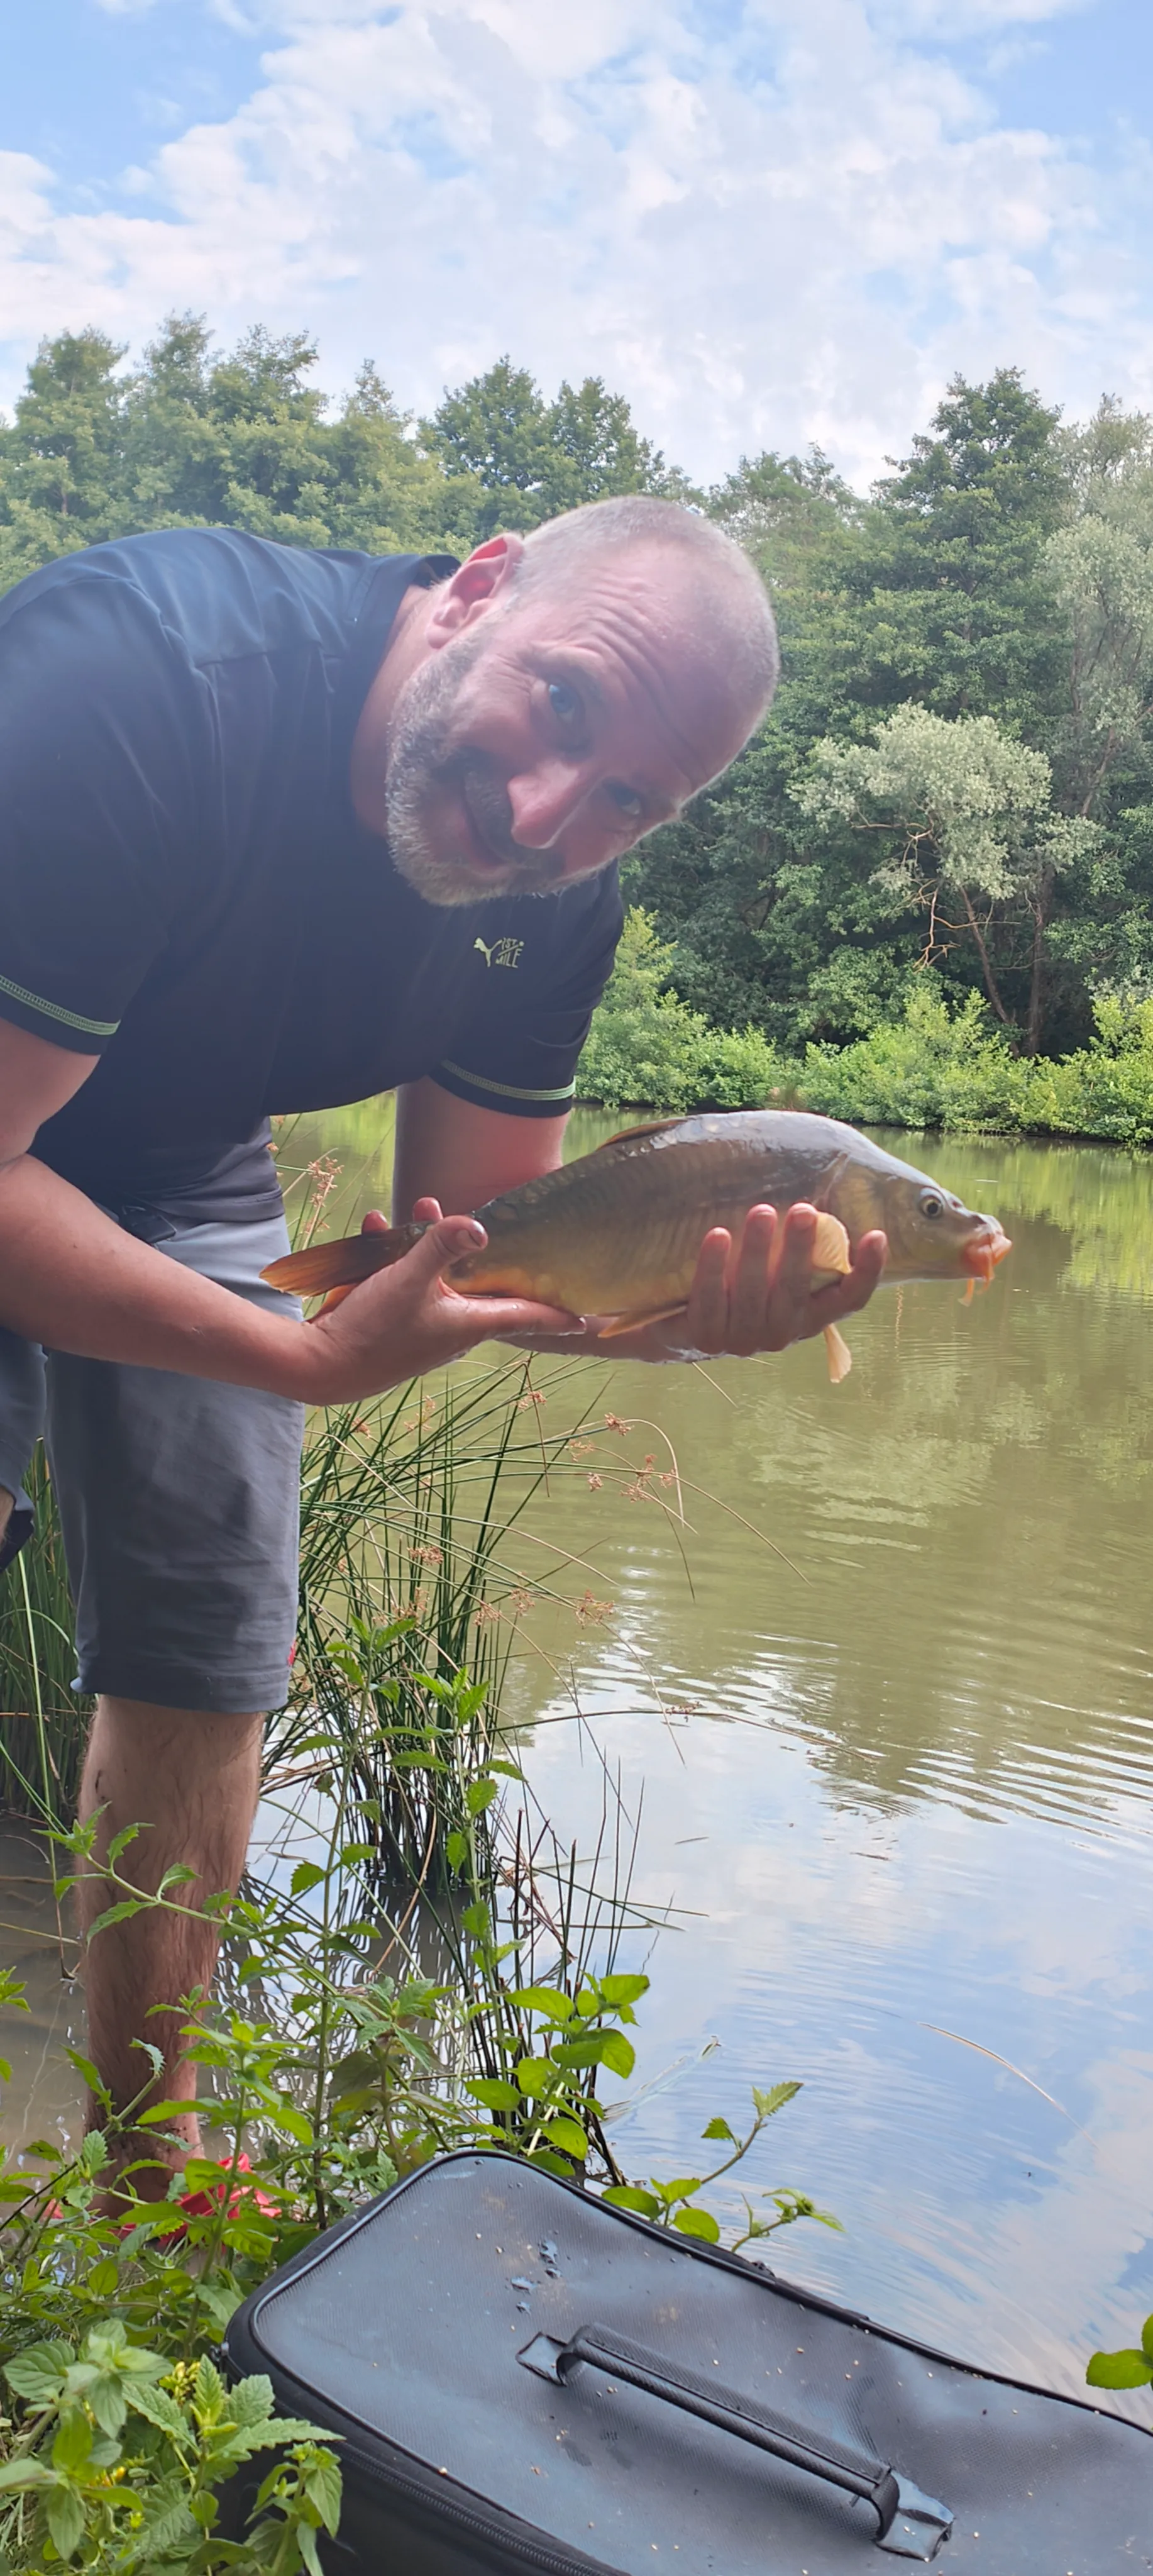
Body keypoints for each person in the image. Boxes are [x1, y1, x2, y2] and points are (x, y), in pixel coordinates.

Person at [0, 496, 885, 2201]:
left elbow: (489, 1246)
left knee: (208, 1630)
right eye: (563, 708)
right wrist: (305, 1361)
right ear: (477, 589)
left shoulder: (558, 900)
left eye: (636, 797)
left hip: (176, 1146)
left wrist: (690, 1321)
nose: (557, 815)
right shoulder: (145, 677)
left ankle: (148, 2171)